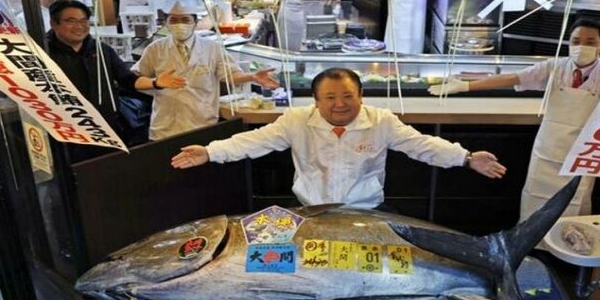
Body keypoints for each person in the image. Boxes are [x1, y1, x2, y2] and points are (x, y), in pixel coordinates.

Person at [171, 67, 507, 209]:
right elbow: (253, 141)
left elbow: (422, 145)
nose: (340, 104)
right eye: (330, 98)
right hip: (310, 210)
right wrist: (210, 151)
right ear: (316, 101)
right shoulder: (296, 120)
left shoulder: (381, 120)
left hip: (368, 210)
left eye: (348, 96)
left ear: (361, 95)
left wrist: (466, 158)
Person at [429, 18, 600, 223]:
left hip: (582, 153)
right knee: (535, 202)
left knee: (573, 203)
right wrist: (465, 86)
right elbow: (514, 78)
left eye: (590, 42)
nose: (581, 47)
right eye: (576, 41)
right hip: (548, 148)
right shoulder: (555, 66)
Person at [46, 0, 185, 159]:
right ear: (54, 23)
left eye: (84, 20)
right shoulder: (44, 53)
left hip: (108, 129)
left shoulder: (102, 49)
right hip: (68, 134)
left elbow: (128, 79)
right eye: (71, 21)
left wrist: (155, 83)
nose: (79, 26)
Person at [132, 1, 280, 141]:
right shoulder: (155, 49)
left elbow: (230, 74)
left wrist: (252, 77)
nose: (179, 24)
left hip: (203, 125)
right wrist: (156, 82)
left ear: (195, 23)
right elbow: (135, 80)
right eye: (174, 20)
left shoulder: (212, 48)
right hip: (165, 128)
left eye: (185, 20)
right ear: (167, 23)